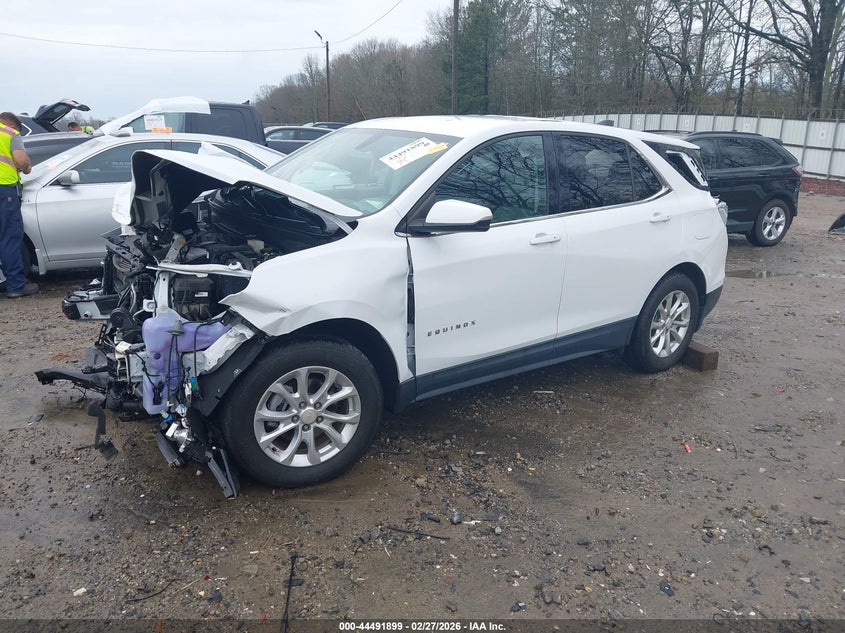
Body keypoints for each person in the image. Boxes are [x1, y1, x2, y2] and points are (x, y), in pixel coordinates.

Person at [0, 112, 37, 298]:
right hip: (4, 189)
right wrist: (26, 167)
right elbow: (22, 161)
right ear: (12, 125)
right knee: (9, 238)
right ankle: (16, 286)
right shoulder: (9, 133)